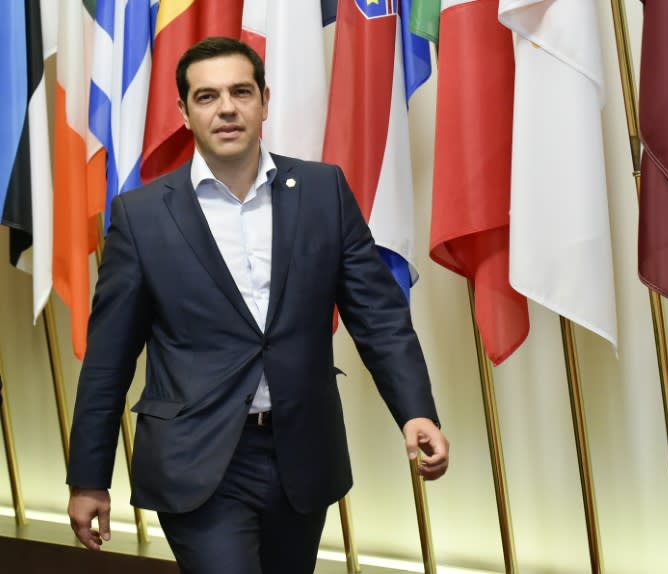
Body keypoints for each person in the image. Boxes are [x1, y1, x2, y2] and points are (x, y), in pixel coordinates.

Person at [66, 36, 449, 574]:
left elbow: (379, 318)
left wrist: (416, 412)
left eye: (241, 92)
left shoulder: (323, 191)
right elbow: (108, 359)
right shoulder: (141, 216)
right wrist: (89, 476)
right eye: (207, 97)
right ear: (183, 111)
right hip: (195, 460)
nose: (226, 108)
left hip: (302, 452)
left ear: (264, 101)